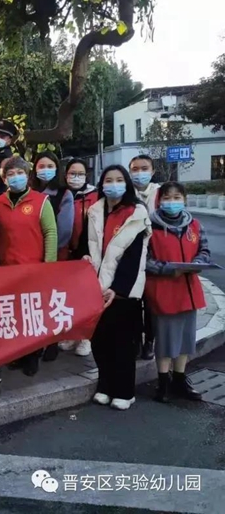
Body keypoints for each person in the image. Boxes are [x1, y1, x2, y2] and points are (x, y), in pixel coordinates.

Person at [86, 164, 151, 411]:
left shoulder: (137, 213)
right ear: (101, 184)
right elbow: (87, 244)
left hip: (125, 291)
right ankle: (105, 386)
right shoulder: (95, 210)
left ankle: (125, 391)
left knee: (122, 343)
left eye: (119, 179)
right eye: (108, 180)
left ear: (127, 183)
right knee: (100, 341)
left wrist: (118, 288)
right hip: (96, 288)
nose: (113, 184)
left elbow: (135, 257)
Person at [145, 182, 209, 403]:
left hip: (189, 290)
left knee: (186, 339)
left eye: (176, 197)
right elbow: (144, 259)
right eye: (167, 198)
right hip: (163, 290)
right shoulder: (150, 227)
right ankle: (163, 383)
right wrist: (166, 269)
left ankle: (180, 379)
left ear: (184, 199)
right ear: (159, 201)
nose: (172, 202)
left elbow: (204, 250)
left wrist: (198, 263)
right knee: (165, 339)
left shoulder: (194, 225)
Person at [0, 156, 58, 375]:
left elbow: (50, 233)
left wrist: (48, 266)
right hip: (6, 269)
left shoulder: (41, 201)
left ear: (27, 175)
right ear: (4, 179)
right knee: (12, 314)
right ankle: (16, 354)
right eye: (10, 174)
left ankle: (32, 356)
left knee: (31, 315)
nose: (16, 177)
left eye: (20, 173)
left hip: (33, 269)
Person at [29, 152, 74, 361]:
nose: (45, 170)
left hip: (55, 256)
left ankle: (53, 342)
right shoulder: (30, 191)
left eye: (49, 166)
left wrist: (50, 251)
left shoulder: (64, 194)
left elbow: (64, 230)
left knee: (53, 301)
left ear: (57, 169)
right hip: (31, 256)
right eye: (41, 166)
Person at [61, 158, 99, 357]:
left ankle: (86, 338)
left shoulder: (95, 196)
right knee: (69, 297)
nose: (76, 177)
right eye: (72, 173)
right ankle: (72, 334)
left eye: (80, 173)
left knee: (86, 297)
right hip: (65, 254)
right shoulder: (61, 194)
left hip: (87, 254)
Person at [130, 154, 160, 361]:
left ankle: (150, 340)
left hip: (154, 254)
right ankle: (136, 341)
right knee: (133, 300)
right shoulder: (125, 193)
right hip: (131, 253)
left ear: (152, 171)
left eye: (144, 168)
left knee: (150, 302)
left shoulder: (160, 193)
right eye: (135, 169)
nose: (139, 173)